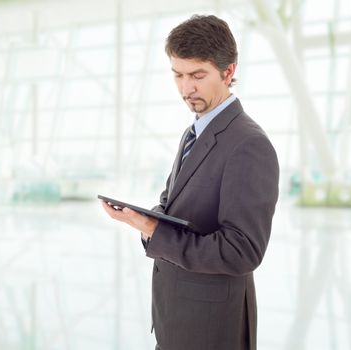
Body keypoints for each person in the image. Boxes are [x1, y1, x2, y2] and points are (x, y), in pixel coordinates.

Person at [101, 14, 279, 350]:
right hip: (175, 320)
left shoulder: (249, 144)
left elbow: (242, 251)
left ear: (229, 72)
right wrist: (147, 218)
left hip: (211, 332)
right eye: (178, 75)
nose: (186, 88)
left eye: (198, 75)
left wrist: (155, 230)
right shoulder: (194, 132)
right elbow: (173, 203)